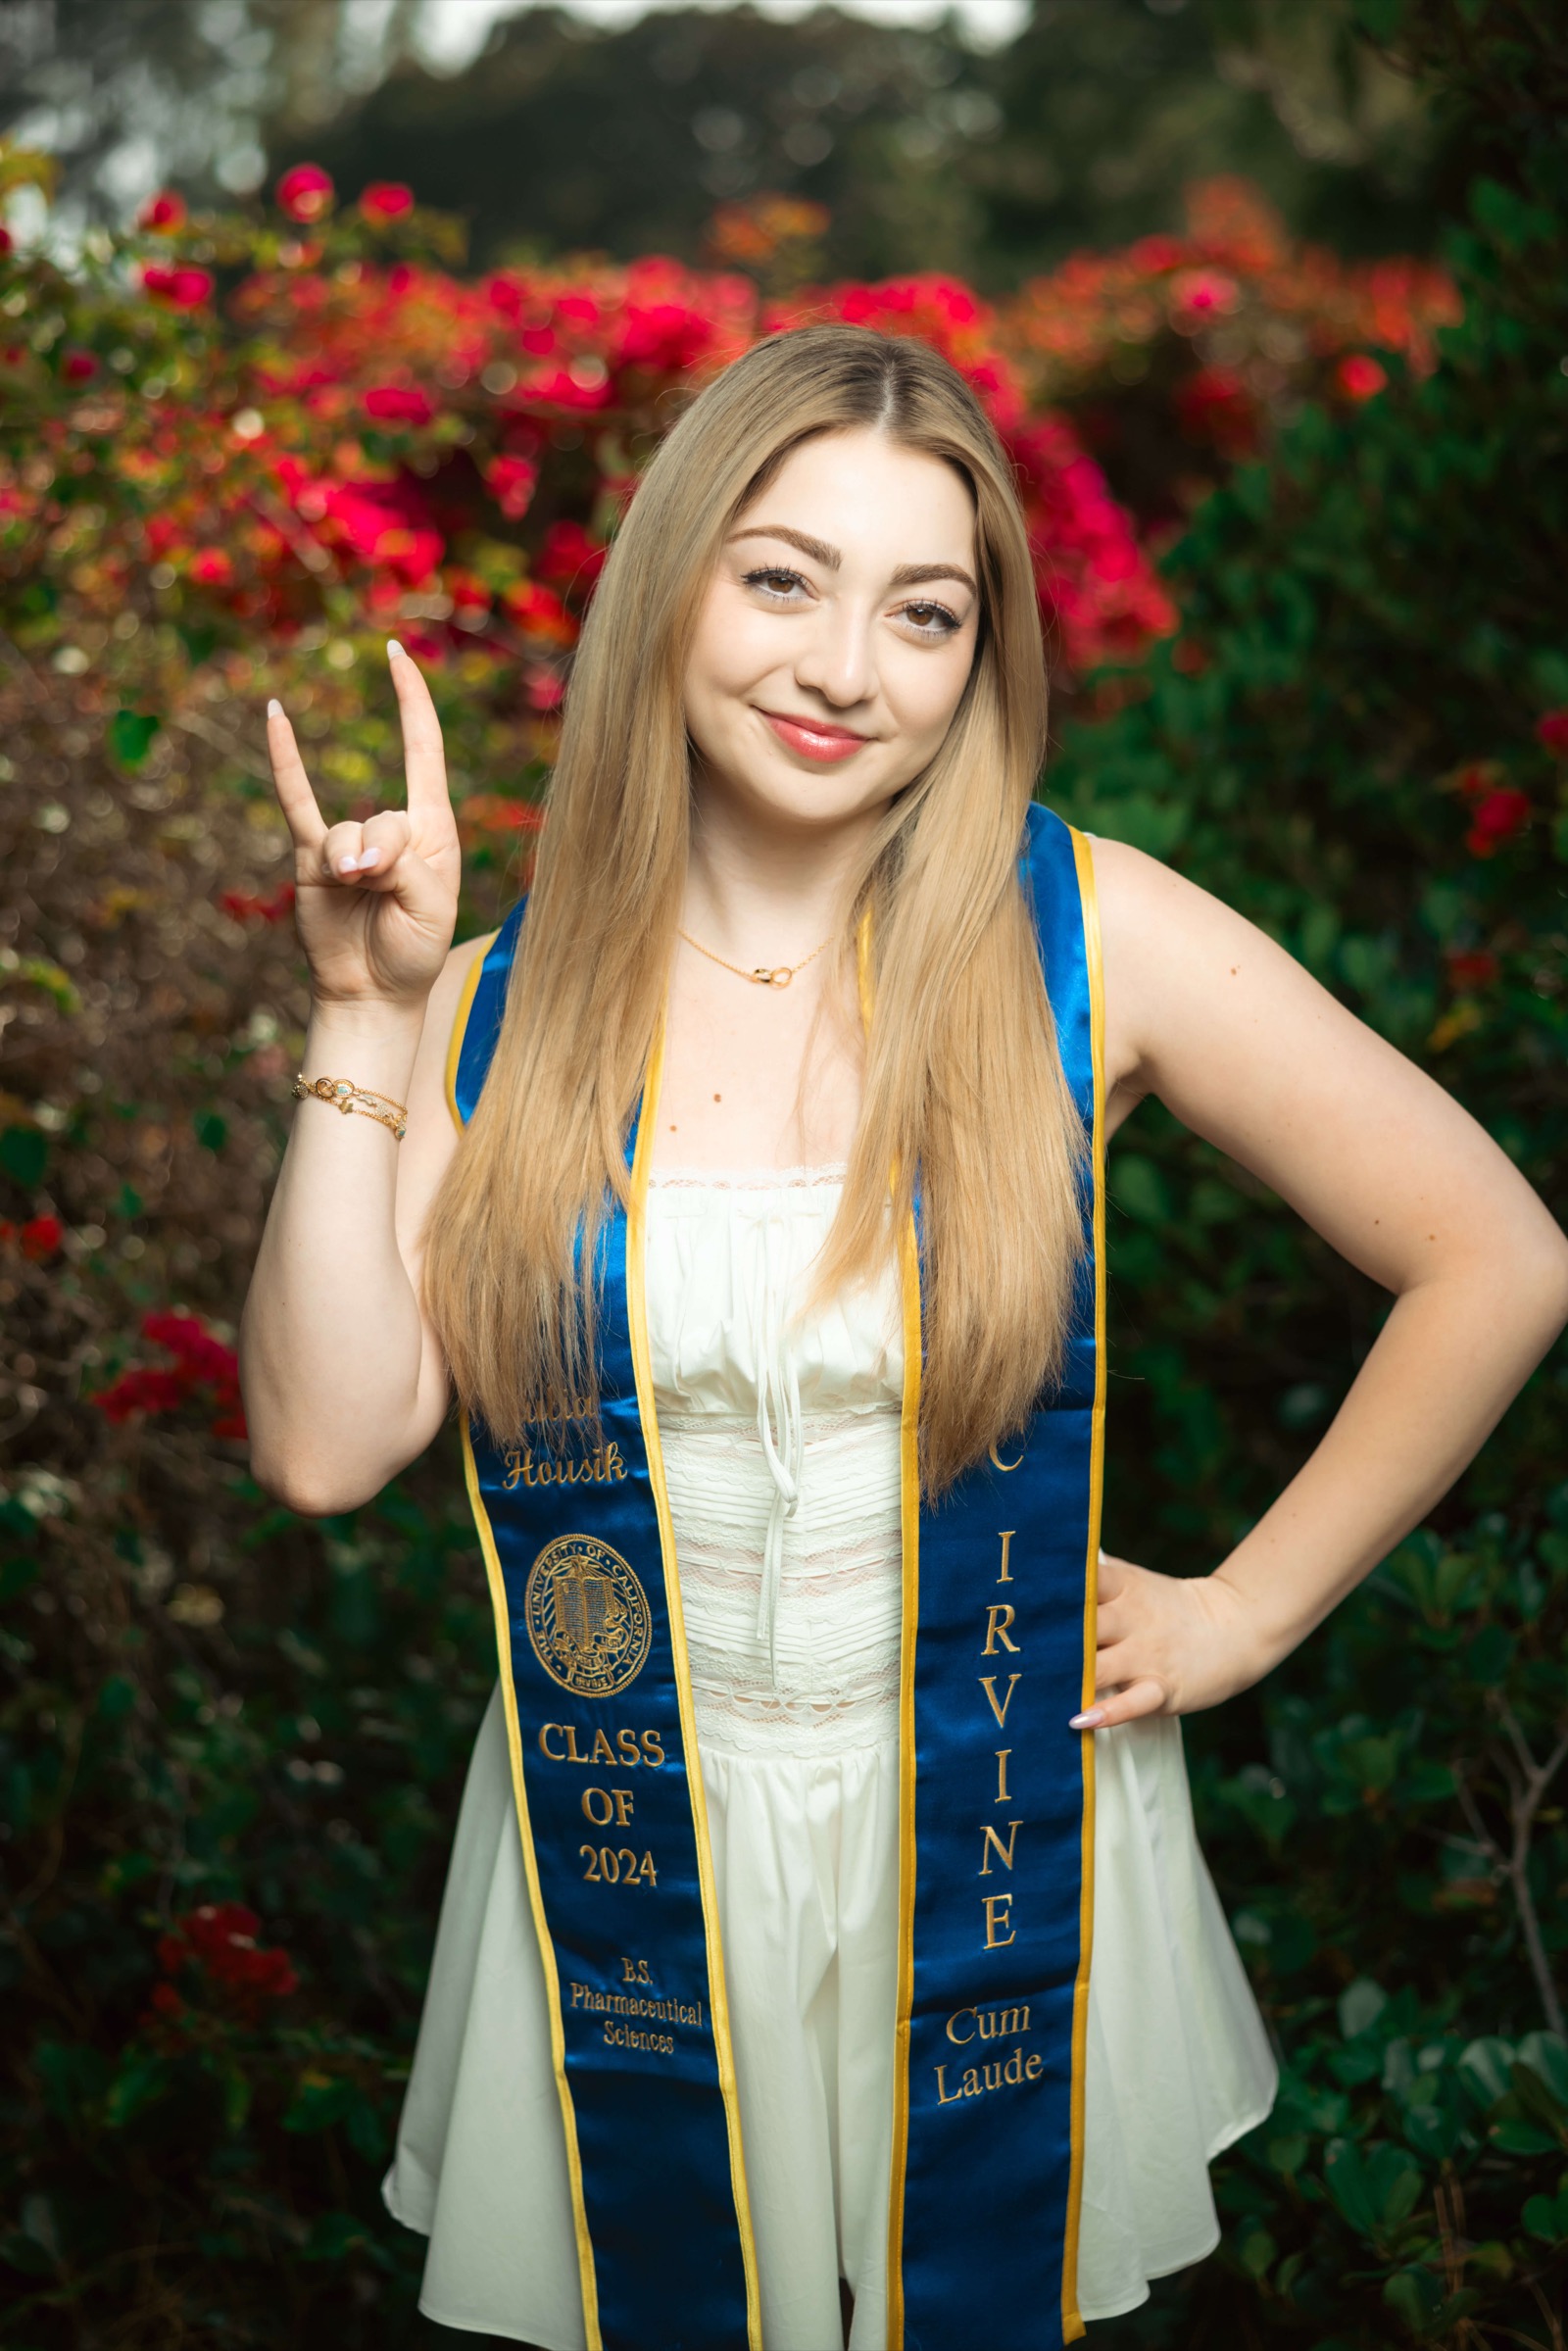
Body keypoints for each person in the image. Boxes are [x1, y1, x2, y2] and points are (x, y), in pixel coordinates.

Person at [239, 326, 1568, 2351]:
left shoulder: (1083, 935)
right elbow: (329, 1448)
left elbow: (1493, 1252)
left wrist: (1245, 1614)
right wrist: (360, 1014)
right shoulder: (496, 1003)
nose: (843, 668)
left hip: (996, 1846)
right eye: (781, 577)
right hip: (626, 1851)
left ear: (979, 656)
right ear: (672, 586)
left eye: (921, 611)